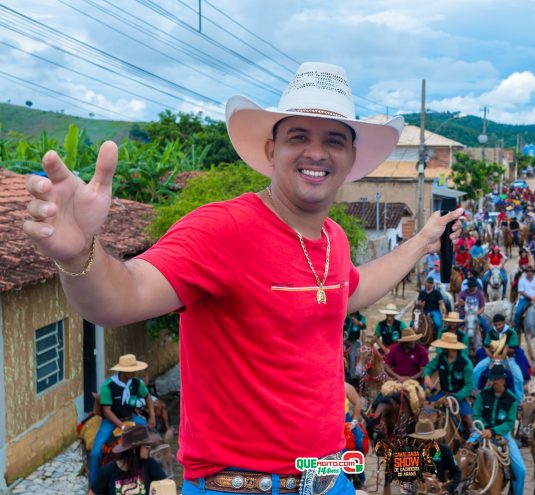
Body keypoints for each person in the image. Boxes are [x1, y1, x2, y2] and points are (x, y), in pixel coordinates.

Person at [24, 62, 464, 494]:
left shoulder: (334, 238)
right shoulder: (223, 228)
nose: (316, 152)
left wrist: (423, 241)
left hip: (327, 479)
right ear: (272, 150)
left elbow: (350, 293)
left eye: (334, 140)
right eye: (298, 137)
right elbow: (122, 298)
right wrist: (81, 251)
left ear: (350, 160)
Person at [89, 354, 154, 486]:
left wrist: (152, 416)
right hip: (112, 421)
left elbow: (147, 396)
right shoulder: (108, 386)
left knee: (155, 437)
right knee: (95, 453)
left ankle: (150, 475)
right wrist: (121, 425)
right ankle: (94, 485)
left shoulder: (137, 383)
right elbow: (107, 411)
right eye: (132, 370)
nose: (136, 372)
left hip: (131, 417)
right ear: (123, 371)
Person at [468, 363, 526, 495]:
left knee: (521, 471)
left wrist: (493, 432)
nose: (494, 382)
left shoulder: (512, 399)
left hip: (503, 436)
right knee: (464, 455)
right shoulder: (483, 394)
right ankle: (460, 486)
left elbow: (510, 423)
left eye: (497, 379)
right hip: (481, 433)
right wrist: (485, 429)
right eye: (492, 378)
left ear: (504, 380)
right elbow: (476, 415)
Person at [88, 425, 167, 495]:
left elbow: (166, 487)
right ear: (134, 449)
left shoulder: (149, 464)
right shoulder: (108, 471)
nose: (149, 448)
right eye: (146, 445)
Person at [423, 333, 474, 436]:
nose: (441, 348)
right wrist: (427, 376)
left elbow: (468, 386)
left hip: (458, 397)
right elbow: (429, 368)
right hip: (442, 393)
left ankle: (470, 444)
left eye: (443, 346)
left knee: (468, 420)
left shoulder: (466, 363)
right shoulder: (440, 357)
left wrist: (454, 397)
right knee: (423, 412)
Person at [407, 419, 461, 495]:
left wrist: (449, 489)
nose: (423, 441)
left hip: (438, 490)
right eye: (421, 439)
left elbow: (456, 472)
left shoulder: (444, 450)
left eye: (427, 439)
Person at [513, 266, 535, 331]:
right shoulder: (522, 280)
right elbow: (521, 291)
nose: (529, 273)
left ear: (533, 272)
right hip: (524, 299)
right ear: (526, 272)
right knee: (518, 312)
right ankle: (516, 328)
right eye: (528, 271)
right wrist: (530, 297)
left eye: (531, 271)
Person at [343, 310, 366, 381]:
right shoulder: (344, 315)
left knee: (353, 355)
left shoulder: (361, 317)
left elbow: (363, 326)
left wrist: (359, 323)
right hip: (341, 340)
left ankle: (352, 376)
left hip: (353, 341)